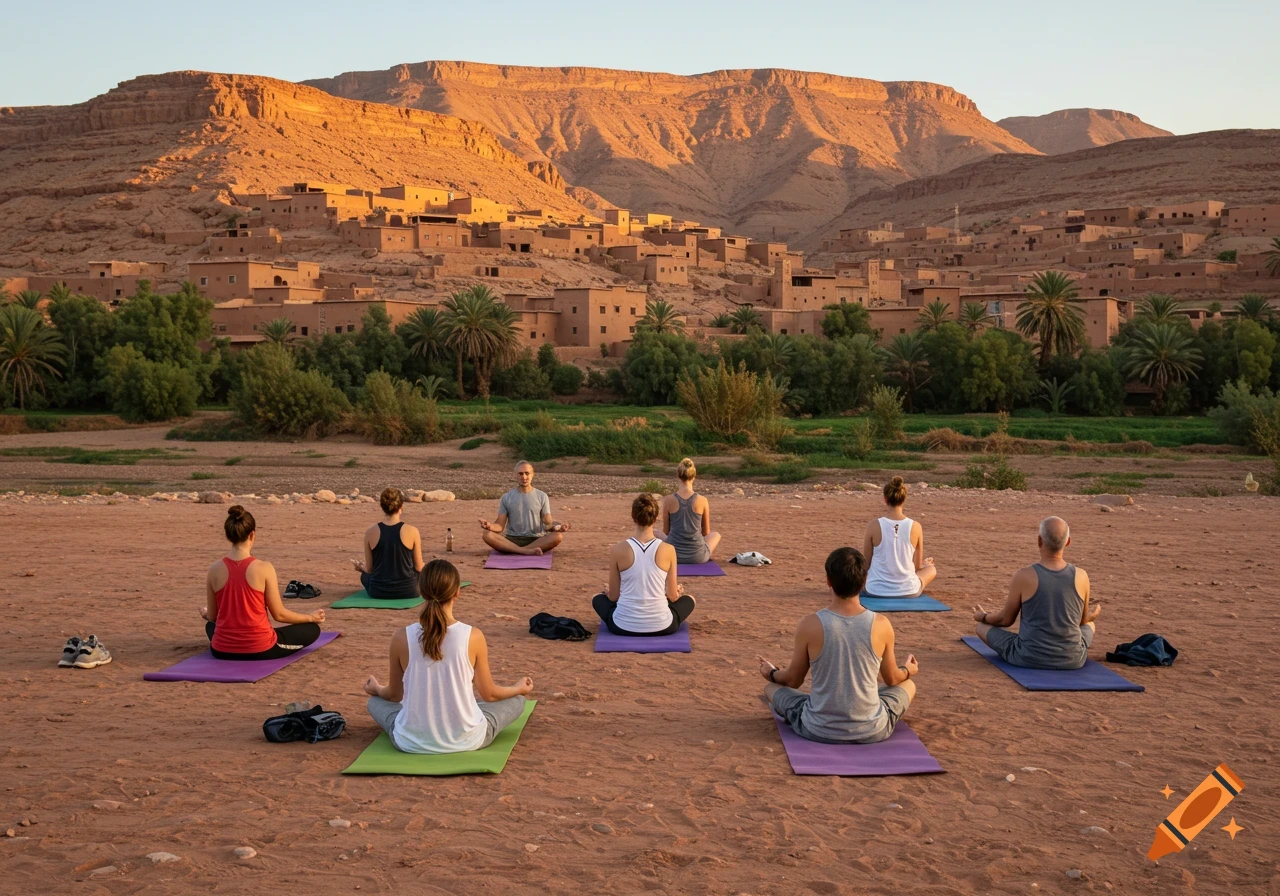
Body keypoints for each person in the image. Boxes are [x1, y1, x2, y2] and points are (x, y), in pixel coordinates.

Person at [364, 559, 533, 753]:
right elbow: (490, 694)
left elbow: (394, 695)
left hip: (410, 741)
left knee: (375, 701)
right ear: (457, 592)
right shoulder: (473, 636)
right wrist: (518, 688)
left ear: (421, 590)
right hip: (468, 739)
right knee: (518, 700)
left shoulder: (401, 637)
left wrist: (376, 688)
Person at [759, 547, 917, 744]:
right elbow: (893, 678)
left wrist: (771, 673)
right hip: (872, 729)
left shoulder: (810, 624)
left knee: (770, 689)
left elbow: (792, 681)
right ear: (864, 582)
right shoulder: (881, 624)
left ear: (828, 581)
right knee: (908, 685)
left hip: (817, 728)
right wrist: (907, 670)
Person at [972, 516, 1101, 670]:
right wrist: (1090, 617)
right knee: (1090, 625)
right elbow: (1082, 620)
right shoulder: (1081, 576)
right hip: (1072, 659)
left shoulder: (1024, 575)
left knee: (981, 627)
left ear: (1040, 541)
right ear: (1068, 542)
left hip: (1028, 656)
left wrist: (984, 617)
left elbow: (1005, 620)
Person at [202, 505, 324, 660]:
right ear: (252, 535)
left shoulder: (214, 569)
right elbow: (279, 615)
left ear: (228, 536)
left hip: (221, 650)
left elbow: (212, 616)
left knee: (210, 626)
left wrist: (205, 613)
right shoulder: (264, 568)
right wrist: (311, 617)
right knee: (312, 629)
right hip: (260, 648)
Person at [592, 493, 696, 636]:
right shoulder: (668, 549)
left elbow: (614, 597)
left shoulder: (617, 550)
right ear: (656, 517)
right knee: (690, 599)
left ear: (633, 516)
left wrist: (607, 591)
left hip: (622, 626)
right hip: (663, 626)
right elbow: (672, 597)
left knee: (596, 598)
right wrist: (674, 593)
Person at [861, 476, 936, 598]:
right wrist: (927, 564)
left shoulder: (873, 526)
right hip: (909, 590)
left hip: (875, 590)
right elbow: (917, 567)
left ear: (885, 499)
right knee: (931, 569)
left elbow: (867, 564)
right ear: (904, 499)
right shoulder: (916, 526)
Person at [479, 461, 569, 555]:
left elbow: (548, 524)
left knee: (558, 536)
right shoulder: (506, 497)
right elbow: (500, 526)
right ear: (515, 476)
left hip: (536, 540)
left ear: (532, 474)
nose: (524, 477)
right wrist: (489, 526)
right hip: (512, 539)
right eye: (520, 474)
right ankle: (526, 551)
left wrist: (558, 527)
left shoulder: (542, 496)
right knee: (487, 534)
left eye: (527, 473)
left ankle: (517, 550)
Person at [351, 487, 424, 599]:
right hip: (409, 590)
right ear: (401, 507)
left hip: (378, 591)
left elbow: (369, 569)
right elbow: (419, 567)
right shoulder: (412, 531)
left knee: (364, 576)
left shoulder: (370, 532)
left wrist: (361, 566)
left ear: (382, 507)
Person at [662, 457, 721, 564]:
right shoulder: (702, 500)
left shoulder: (668, 500)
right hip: (698, 556)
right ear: (694, 477)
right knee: (716, 535)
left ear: (678, 476)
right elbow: (706, 532)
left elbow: (666, 531)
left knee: (653, 532)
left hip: (673, 554)